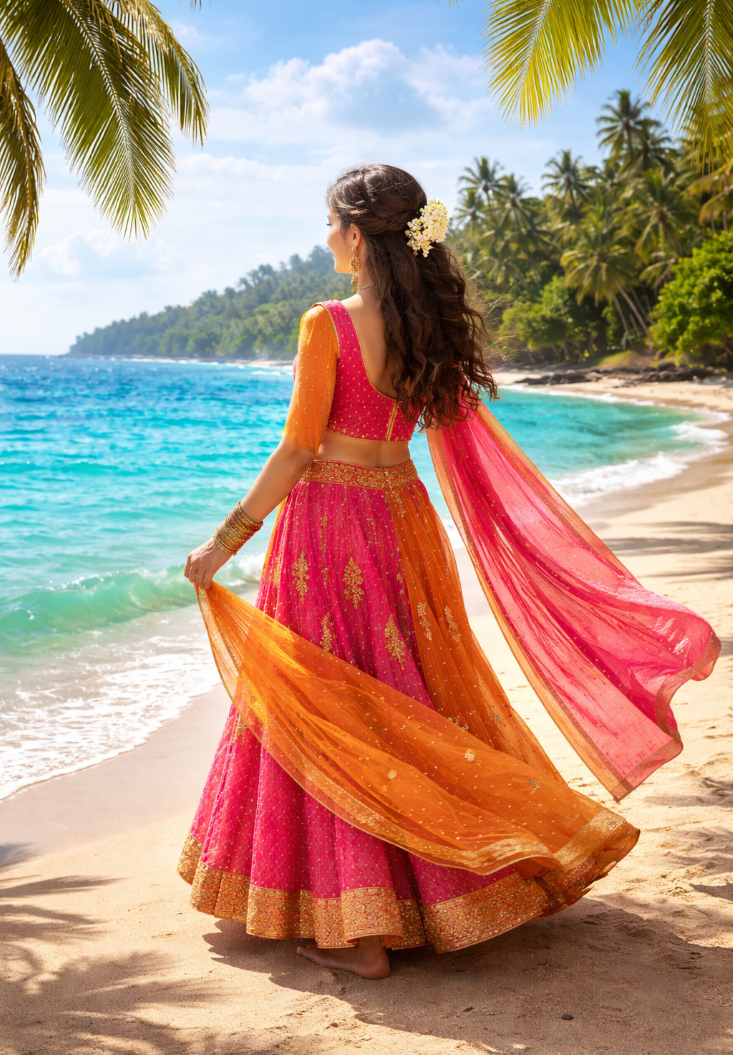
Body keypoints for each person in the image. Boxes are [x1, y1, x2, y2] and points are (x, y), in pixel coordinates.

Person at [178, 164, 719, 980]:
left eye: (329, 223)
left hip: (328, 525)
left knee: (333, 704)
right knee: (406, 694)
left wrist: (221, 544)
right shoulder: (430, 325)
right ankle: (431, 896)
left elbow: (297, 448)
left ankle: (358, 930)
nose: (324, 237)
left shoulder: (326, 323)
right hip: (402, 518)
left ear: (357, 234)